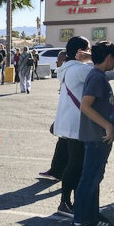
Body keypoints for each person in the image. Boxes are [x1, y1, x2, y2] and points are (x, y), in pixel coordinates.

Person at [70, 41, 114, 226]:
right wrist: (107, 126)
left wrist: (90, 57)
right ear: (109, 58)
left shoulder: (97, 74)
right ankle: (80, 221)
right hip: (96, 137)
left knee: (94, 178)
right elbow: (85, 106)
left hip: (101, 139)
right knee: (89, 179)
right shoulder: (97, 78)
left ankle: (91, 216)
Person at [52, 36, 93, 217]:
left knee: (74, 164)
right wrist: (90, 59)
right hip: (76, 124)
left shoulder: (68, 68)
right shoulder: (79, 69)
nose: (90, 53)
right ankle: (65, 203)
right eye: (88, 49)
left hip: (70, 122)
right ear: (80, 52)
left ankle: (69, 201)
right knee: (75, 165)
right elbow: (104, 72)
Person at [40, 50, 69, 180]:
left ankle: (60, 172)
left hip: (70, 121)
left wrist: (57, 122)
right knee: (62, 145)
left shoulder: (69, 78)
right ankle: (56, 170)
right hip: (66, 119)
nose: (57, 62)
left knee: (66, 147)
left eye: (60, 60)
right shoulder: (64, 77)